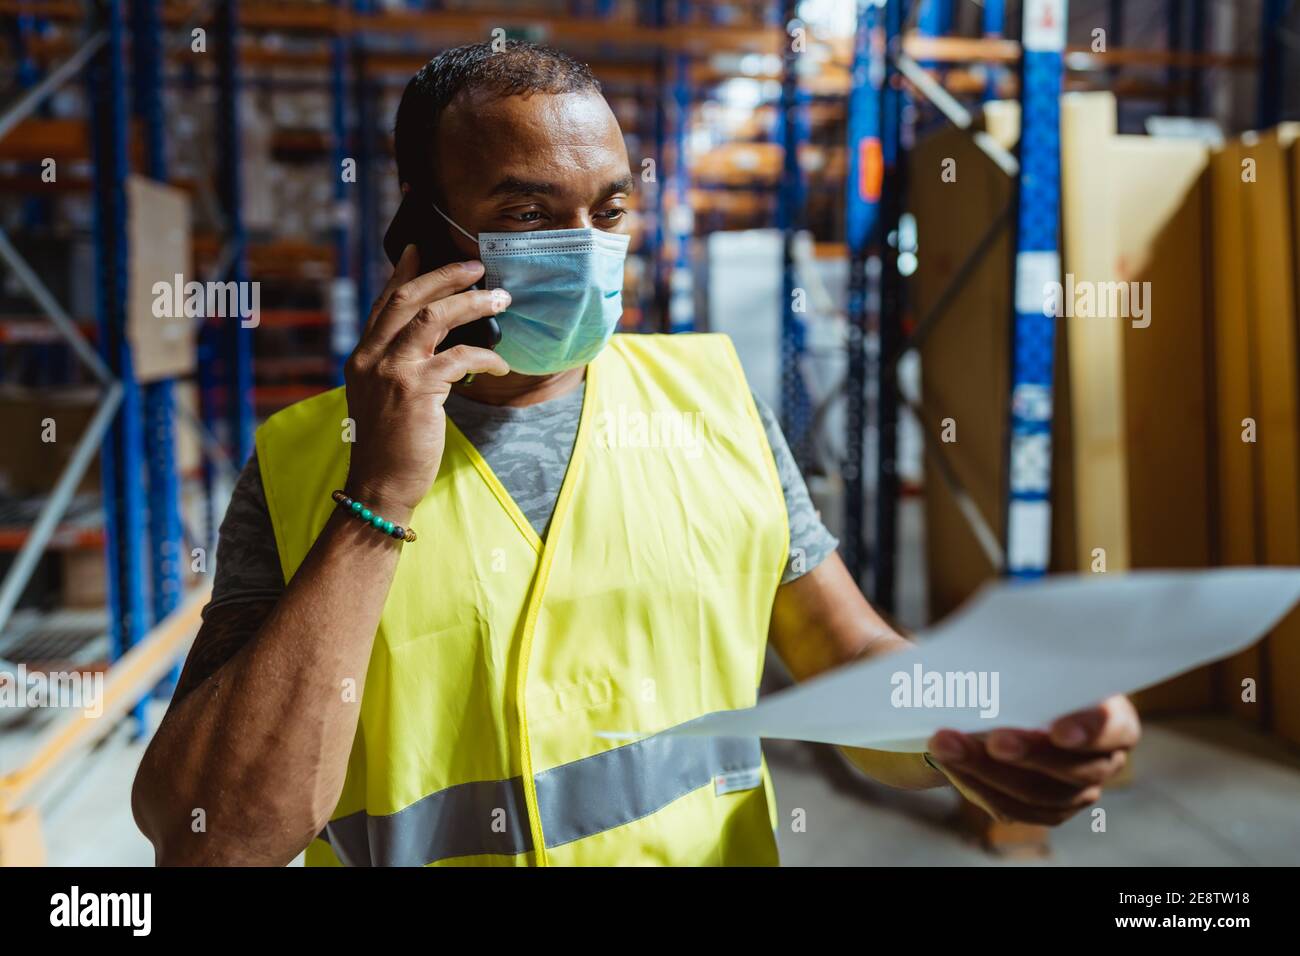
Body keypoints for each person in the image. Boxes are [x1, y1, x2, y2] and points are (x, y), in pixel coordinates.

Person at [131, 41, 1139, 867]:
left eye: (608, 211)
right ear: (420, 233)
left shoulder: (712, 399)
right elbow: (214, 836)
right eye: (525, 213)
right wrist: (379, 498)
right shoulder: (309, 458)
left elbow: (847, 656)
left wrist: (976, 723)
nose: (583, 246)